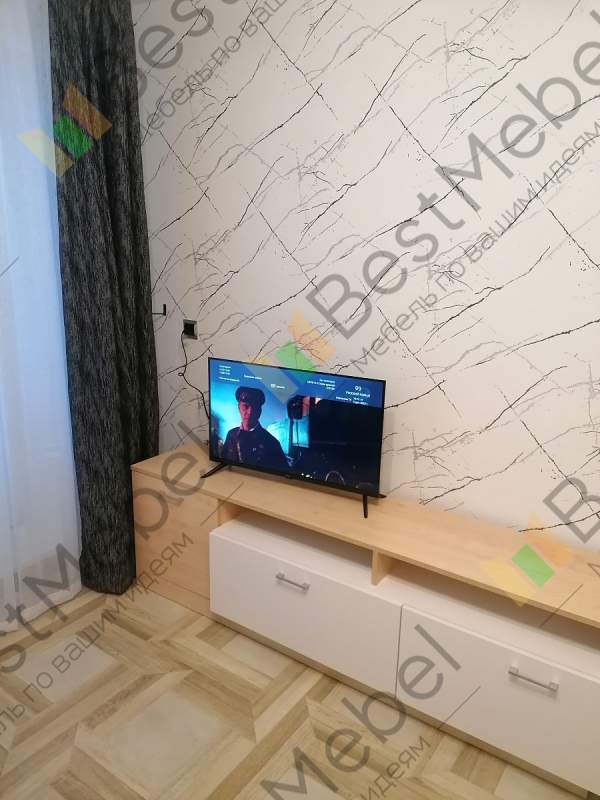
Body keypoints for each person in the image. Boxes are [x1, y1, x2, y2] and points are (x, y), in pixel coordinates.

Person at [222, 386, 289, 472]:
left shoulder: (272, 443)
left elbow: (284, 473)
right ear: (239, 407)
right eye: (245, 406)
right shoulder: (231, 435)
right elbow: (223, 462)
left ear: (260, 411)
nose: (250, 412)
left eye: (255, 408)